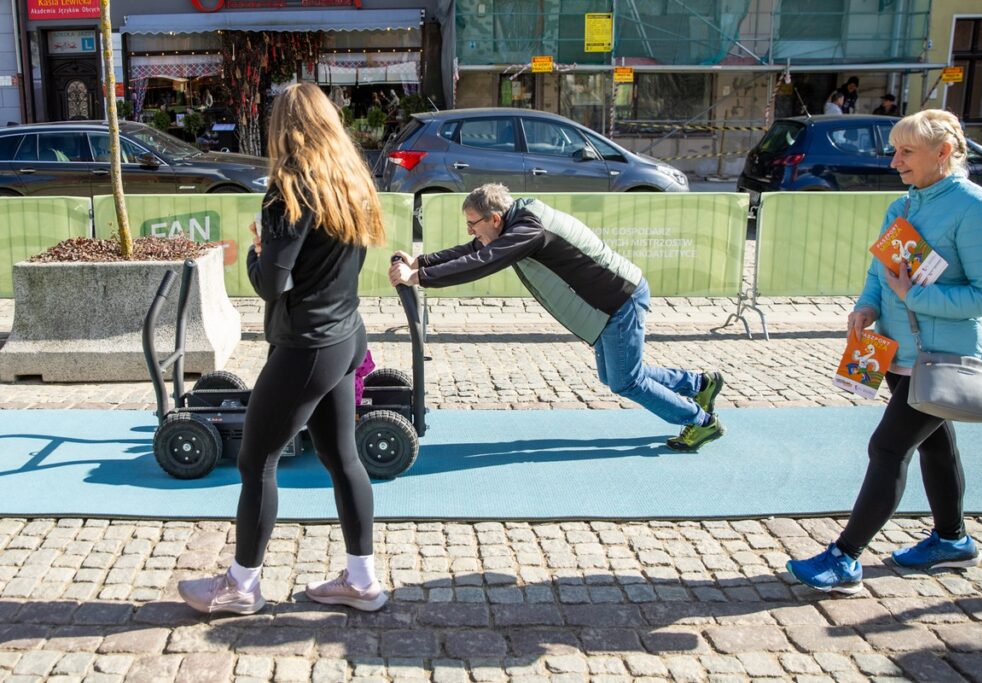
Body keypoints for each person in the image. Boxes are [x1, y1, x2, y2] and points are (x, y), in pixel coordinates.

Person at [785, 110, 982, 594]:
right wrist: (867, 306)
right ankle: (952, 541)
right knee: (935, 444)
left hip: (945, 357)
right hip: (900, 352)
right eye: (894, 151)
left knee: (888, 448)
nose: (895, 161)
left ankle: (845, 557)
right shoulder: (903, 205)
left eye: (906, 152)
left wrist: (916, 297)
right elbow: (881, 271)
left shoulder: (978, 208)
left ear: (944, 153)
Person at [177, 83, 388, 615]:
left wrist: (257, 251)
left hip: (306, 347)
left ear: (281, 129)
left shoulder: (289, 190)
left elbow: (271, 283)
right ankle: (362, 580)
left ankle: (240, 585)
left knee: (256, 461)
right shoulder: (351, 181)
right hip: (344, 335)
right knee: (341, 457)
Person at [388, 183, 727, 452]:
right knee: (615, 375)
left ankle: (700, 421)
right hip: (611, 300)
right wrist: (421, 262)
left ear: (494, 219)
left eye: (472, 223)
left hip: (620, 299)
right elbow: (475, 250)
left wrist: (418, 277)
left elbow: (483, 260)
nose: (469, 230)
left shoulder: (528, 231)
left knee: (626, 381)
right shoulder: (517, 221)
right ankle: (699, 385)